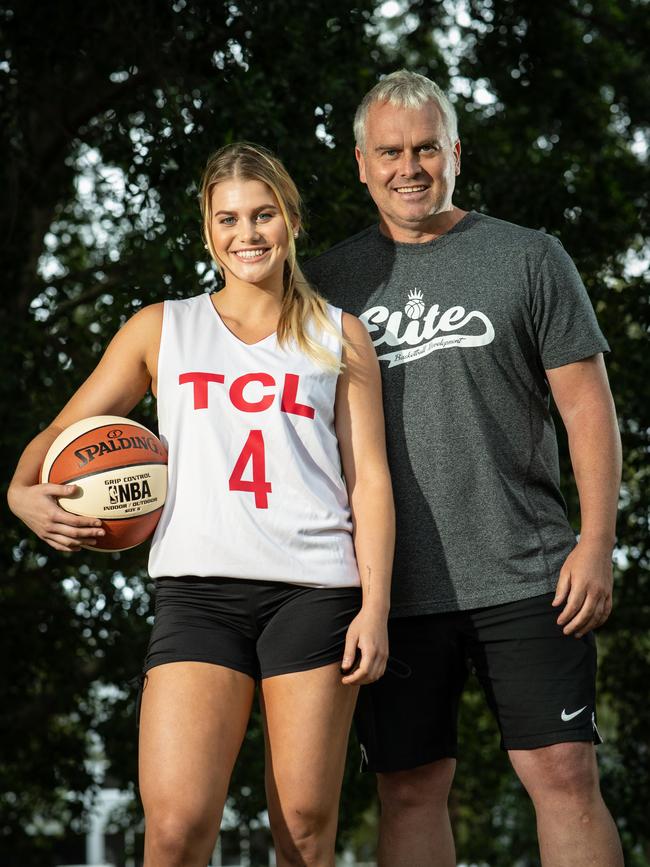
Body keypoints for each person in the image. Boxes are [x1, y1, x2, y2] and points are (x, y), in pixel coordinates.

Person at [7, 142, 395, 867]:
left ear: (291, 220)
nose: (247, 234)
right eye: (229, 219)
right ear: (207, 230)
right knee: (179, 825)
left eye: (263, 215)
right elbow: (61, 430)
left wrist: (374, 607)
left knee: (306, 828)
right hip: (197, 593)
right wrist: (19, 492)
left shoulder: (339, 334)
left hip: (314, 592)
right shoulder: (163, 328)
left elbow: (368, 478)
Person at [304, 70, 623, 866]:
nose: (408, 167)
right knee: (409, 786)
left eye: (425, 148)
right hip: (391, 586)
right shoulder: (326, 284)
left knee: (562, 771)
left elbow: (589, 409)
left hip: (530, 570)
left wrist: (596, 540)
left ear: (456, 152)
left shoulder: (529, 257)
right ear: (360, 162)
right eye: (390, 152)